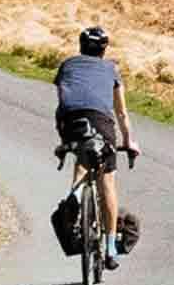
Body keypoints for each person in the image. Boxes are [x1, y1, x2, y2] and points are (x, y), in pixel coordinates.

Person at [53, 24, 141, 264]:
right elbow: (121, 113)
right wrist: (129, 141)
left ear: (81, 46)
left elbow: (63, 101)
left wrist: (63, 143)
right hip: (100, 122)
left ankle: (77, 193)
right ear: (104, 49)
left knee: (82, 160)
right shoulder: (111, 69)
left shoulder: (67, 65)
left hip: (70, 122)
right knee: (107, 181)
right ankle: (111, 247)